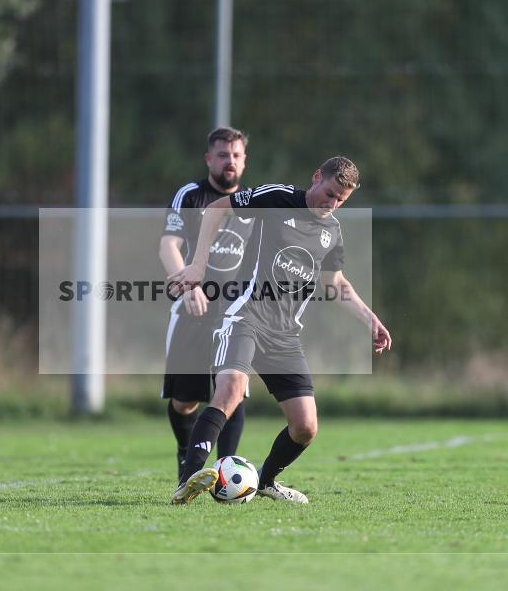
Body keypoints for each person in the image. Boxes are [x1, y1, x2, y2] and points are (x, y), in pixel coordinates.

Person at [168, 156, 392, 504]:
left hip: (285, 334)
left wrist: (369, 318)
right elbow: (216, 207)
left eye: (341, 201)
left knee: (305, 427)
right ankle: (186, 481)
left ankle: (266, 482)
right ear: (316, 177)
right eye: (329, 193)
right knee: (230, 388)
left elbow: (334, 282)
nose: (331, 204)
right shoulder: (278, 197)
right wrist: (197, 264)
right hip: (245, 315)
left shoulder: (332, 230)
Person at [159, 127, 253, 481]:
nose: (230, 162)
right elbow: (168, 245)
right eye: (223, 155)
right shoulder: (191, 195)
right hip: (192, 312)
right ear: (209, 159)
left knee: (234, 389)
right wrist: (187, 286)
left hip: (234, 314)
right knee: (185, 401)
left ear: (244, 161)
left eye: (236, 155)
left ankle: (228, 470)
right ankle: (187, 457)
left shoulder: (251, 203)